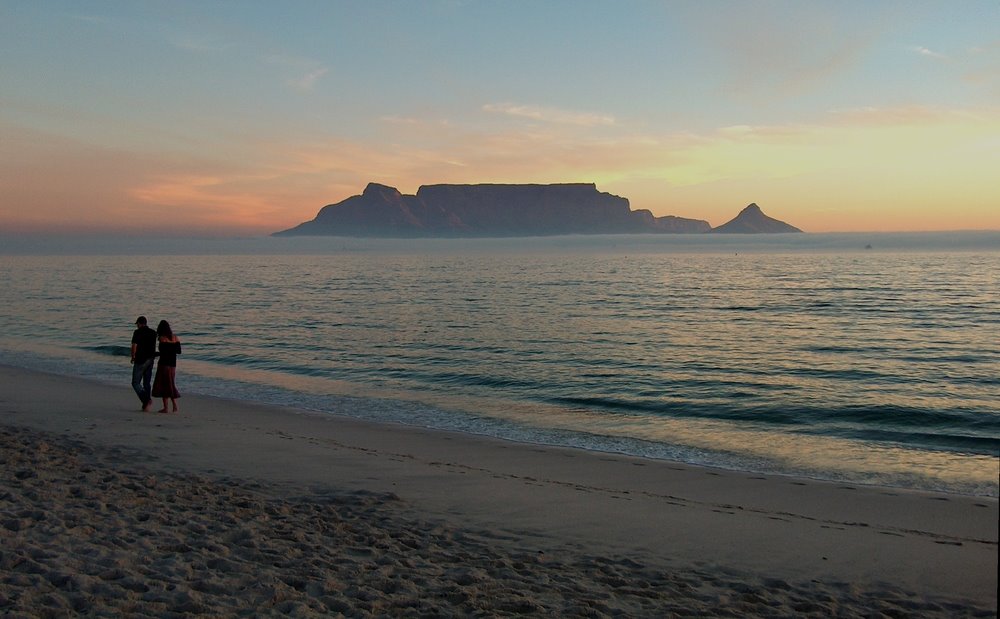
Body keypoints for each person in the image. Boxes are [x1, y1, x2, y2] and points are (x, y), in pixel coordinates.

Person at [151, 319, 182, 413]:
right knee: (170, 384)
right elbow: (179, 351)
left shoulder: (162, 338)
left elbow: (162, 352)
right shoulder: (175, 337)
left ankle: (167, 407)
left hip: (164, 364)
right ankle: (174, 406)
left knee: (164, 385)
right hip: (173, 364)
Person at [130, 316, 158, 412]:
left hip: (141, 359)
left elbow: (134, 345)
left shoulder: (137, 332)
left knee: (135, 382)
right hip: (150, 359)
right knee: (147, 382)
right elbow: (154, 346)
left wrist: (133, 357)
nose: (137, 325)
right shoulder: (153, 333)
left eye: (137, 324)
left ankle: (146, 400)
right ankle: (146, 405)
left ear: (139, 323)